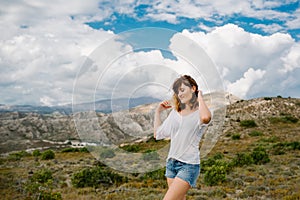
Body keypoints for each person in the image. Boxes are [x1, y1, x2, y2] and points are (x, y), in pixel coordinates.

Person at [154, 75, 212, 200]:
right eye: (177, 92)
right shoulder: (175, 113)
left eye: (182, 90)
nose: (179, 94)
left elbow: (206, 118)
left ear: (193, 88)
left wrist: (200, 96)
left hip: (188, 165)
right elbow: (158, 134)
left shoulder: (200, 112)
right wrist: (158, 112)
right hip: (171, 164)